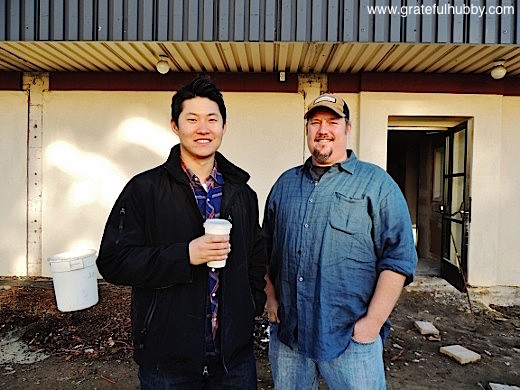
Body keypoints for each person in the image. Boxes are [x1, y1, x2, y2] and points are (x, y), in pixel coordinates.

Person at [97, 76, 266, 389]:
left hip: (234, 362)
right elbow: (112, 261)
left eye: (212, 119)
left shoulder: (242, 194)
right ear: (175, 125)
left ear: (224, 127)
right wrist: (185, 255)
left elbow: (256, 257)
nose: (203, 128)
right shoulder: (144, 189)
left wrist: (250, 306)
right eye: (192, 119)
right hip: (167, 362)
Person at [262, 94, 417, 389]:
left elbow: (398, 258)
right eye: (315, 122)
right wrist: (271, 299)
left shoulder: (377, 184)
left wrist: (372, 323)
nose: (323, 129)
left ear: (347, 128)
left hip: (351, 340)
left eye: (333, 121)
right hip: (289, 336)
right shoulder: (284, 184)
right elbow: (263, 249)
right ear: (307, 129)